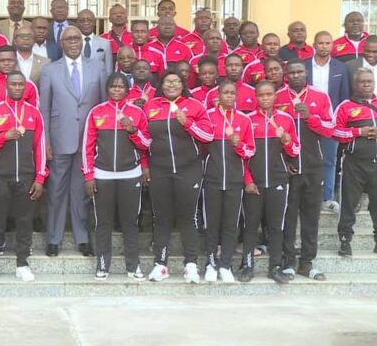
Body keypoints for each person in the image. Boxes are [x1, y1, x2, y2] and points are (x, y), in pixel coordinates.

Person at [40, 27, 108, 257]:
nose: (73, 42)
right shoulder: (50, 70)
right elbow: (45, 109)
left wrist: (101, 140)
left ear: (82, 41)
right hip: (59, 139)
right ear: (61, 43)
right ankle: (54, 238)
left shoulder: (97, 67)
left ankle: (82, 238)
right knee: (57, 191)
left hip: (88, 140)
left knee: (82, 192)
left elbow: (102, 107)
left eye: (77, 38)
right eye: (68, 39)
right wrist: (46, 142)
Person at [142, 71, 212, 282]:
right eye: (167, 81)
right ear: (161, 85)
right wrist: (145, 166)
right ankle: (160, 264)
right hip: (159, 170)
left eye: (176, 81)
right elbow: (143, 141)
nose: (172, 85)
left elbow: (208, 136)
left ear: (183, 84)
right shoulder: (151, 106)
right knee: (161, 218)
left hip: (188, 169)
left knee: (188, 217)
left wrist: (188, 123)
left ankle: (190, 264)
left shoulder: (195, 106)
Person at [0, 71, 48, 282]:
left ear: (26, 88)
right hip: (1, 175)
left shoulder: (33, 113)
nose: (17, 88)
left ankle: (22, 263)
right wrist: (3, 137)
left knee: (25, 221)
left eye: (21, 85)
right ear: (6, 87)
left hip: (27, 176)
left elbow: (40, 147)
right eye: (14, 85)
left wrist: (40, 178)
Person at [82, 73, 151, 281]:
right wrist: (88, 175)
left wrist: (132, 130)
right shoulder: (97, 112)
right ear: (108, 89)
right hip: (102, 176)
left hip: (130, 175)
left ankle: (133, 266)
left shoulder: (137, 113)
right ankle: (102, 265)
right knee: (103, 222)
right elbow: (87, 145)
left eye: (121, 87)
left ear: (127, 89)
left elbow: (146, 144)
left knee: (130, 223)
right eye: (113, 86)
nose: (117, 90)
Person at [275, 58, 335, 282]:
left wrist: (311, 117)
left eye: (299, 71)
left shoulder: (320, 97)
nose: (296, 75)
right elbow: (271, 135)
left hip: (313, 167)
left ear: (306, 73)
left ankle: (307, 263)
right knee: (288, 217)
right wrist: (283, 160)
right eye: (291, 72)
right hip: (288, 168)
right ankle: (288, 262)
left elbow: (331, 129)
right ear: (285, 74)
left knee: (310, 217)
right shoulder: (278, 97)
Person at [334, 68, 377, 258]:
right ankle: (345, 241)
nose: (366, 85)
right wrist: (359, 133)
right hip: (354, 164)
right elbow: (335, 132)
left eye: (369, 81)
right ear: (355, 84)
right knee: (348, 203)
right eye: (362, 81)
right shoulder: (345, 107)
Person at [239, 81, 300, 284]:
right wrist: (248, 180)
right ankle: (247, 265)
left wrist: (287, 141)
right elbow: (243, 156)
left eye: (269, 94)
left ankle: (275, 266)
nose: (265, 98)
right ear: (255, 97)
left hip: (278, 181)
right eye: (261, 95)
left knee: (276, 227)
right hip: (254, 183)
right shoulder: (248, 120)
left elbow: (295, 151)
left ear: (275, 96)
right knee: (250, 226)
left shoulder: (286, 119)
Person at [203, 80, 255, 282]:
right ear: (218, 95)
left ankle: (225, 264)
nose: (230, 96)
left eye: (233, 93)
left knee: (231, 225)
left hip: (234, 180)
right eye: (225, 92)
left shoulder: (244, 120)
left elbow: (250, 151)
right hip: (212, 180)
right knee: (212, 224)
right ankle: (210, 263)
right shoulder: (208, 117)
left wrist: (239, 145)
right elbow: (201, 148)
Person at [306, 31, 350, 212]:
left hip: (330, 122)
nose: (324, 46)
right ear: (314, 45)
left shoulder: (341, 68)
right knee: (306, 160)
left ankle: (327, 197)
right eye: (320, 43)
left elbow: (345, 96)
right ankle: (307, 196)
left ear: (332, 45)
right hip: (306, 121)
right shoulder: (304, 66)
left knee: (330, 160)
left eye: (327, 43)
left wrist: (342, 121)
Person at [76, 9, 114, 74]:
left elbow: (108, 70)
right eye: (82, 21)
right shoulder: (71, 43)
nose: (86, 23)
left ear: (94, 23)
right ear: (77, 23)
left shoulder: (105, 43)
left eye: (90, 20)